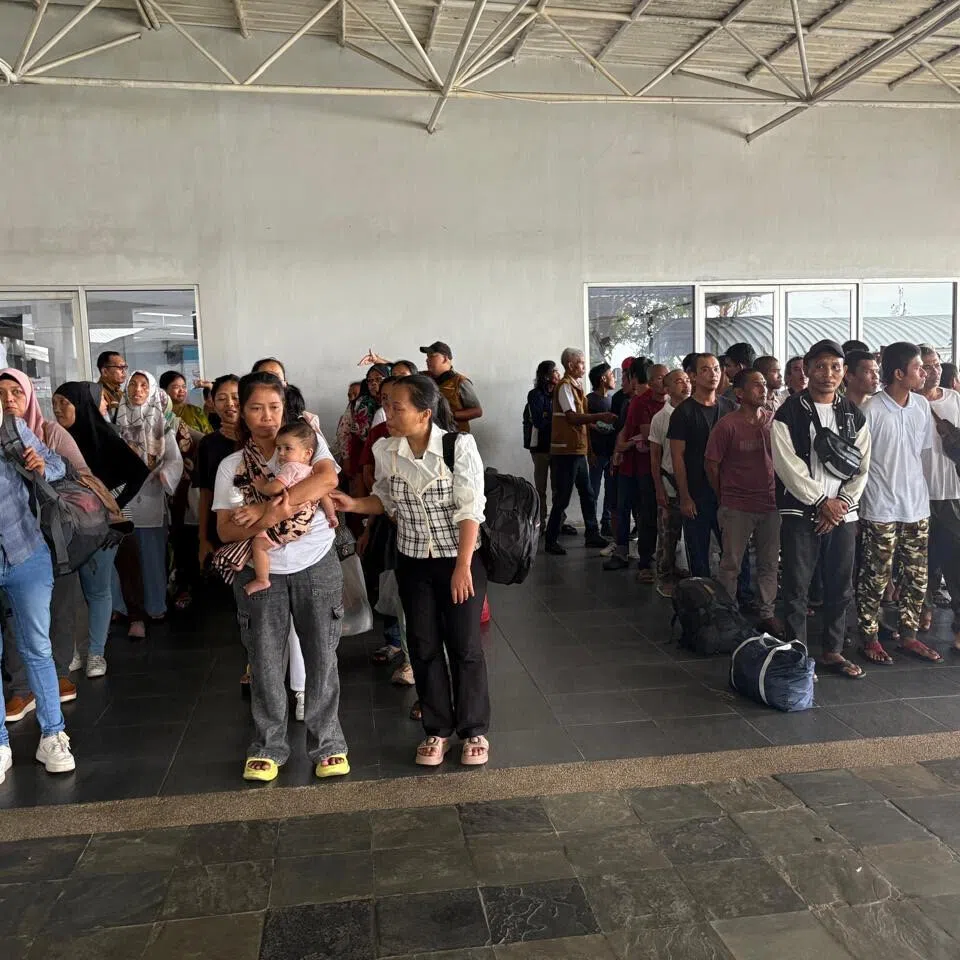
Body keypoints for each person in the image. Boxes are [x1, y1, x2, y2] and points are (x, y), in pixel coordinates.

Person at [331, 376, 490, 767]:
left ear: (424, 413)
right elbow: (385, 500)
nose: (388, 413)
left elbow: (471, 510)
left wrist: (463, 566)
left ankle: (473, 730)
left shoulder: (458, 446)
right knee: (422, 644)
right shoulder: (387, 450)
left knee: (465, 645)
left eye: (397, 406)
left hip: (459, 559)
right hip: (413, 561)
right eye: (386, 404)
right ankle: (437, 730)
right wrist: (351, 504)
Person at [214, 371, 345, 781]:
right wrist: (267, 518)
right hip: (260, 568)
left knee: (322, 657)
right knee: (266, 661)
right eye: (256, 408)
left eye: (274, 407)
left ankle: (328, 743)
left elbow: (328, 478)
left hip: (317, 562)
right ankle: (268, 746)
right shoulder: (232, 466)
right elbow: (225, 530)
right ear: (242, 413)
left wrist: (271, 511)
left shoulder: (308, 445)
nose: (267, 417)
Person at [772, 339, 870, 679]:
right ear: (806, 370)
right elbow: (788, 466)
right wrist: (820, 502)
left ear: (843, 373)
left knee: (840, 586)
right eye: (820, 366)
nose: (828, 374)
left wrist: (840, 505)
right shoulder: (788, 412)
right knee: (797, 588)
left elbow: (862, 466)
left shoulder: (853, 414)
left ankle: (833, 651)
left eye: (835, 367)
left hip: (842, 515)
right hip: (801, 514)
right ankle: (798, 655)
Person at [0, 369, 90, 720]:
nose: (9, 400)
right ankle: (20, 693)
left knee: (52, 617)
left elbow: (68, 470)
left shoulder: (31, 431)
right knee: (17, 625)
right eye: (1, 393)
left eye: (15, 392)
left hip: (41, 539)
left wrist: (42, 466)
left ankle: (55, 709)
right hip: (18, 546)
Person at [51, 382, 149, 678]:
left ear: (81, 406)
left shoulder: (104, 437)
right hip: (68, 528)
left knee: (97, 590)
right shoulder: (54, 438)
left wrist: (111, 506)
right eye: (55, 403)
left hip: (101, 529)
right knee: (72, 594)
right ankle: (76, 651)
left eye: (64, 403)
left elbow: (139, 473)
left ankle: (95, 653)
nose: (57, 409)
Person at [0, 410, 76, 780]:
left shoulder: (12, 430)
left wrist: (41, 465)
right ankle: (0, 743)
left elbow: (60, 465)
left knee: (37, 647)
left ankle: (52, 734)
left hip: (25, 553)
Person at [857, 342, 937, 665]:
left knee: (917, 577)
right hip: (881, 507)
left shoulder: (920, 406)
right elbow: (861, 463)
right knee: (876, 577)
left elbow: (922, 453)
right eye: (919, 367)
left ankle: (909, 636)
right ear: (899, 373)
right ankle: (870, 637)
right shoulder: (871, 410)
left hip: (916, 505)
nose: (926, 372)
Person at [705, 370, 782, 635]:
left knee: (769, 562)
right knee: (731, 563)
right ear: (739, 393)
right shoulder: (727, 425)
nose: (763, 389)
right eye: (756, 385)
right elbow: (711, 465)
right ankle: (727, 613)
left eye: (764, 385)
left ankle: (767, 613)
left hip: (770, 505)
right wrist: (725, 495)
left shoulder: (773, 422)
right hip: (737, 506)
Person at [115, 371, 184, 634]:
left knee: (152, 556)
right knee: (125, 558)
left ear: (152, 390)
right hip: (123, 497)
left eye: (144, 385)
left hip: (151, 495)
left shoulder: (160, 423)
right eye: (133, 384)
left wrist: (164, 475)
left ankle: (155, 605)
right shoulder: (115, 421)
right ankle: (125, 607)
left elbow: (173, 459)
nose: (137, 390)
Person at [668, 354, 735, 578]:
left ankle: (740, 598)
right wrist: (685, 496)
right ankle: (703, 600)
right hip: (697, 492)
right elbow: (677, 457)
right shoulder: (683, 412)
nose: (713, 374)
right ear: (693, 376)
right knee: (699, 552)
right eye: (706, 370)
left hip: (728, 492)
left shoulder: (730, 408)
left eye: (717, 369)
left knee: (734, 551)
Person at [544, 348, 616, 556]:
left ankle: (592, 533)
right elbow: (572, 418)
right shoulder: (565, 386)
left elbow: (580, 419)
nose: (584, 367)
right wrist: (599, 416)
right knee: (563, 497)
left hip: (578, 449)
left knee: (588, 493)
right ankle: (551, 539)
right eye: (581, 363)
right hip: (565, 451)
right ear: (570, 365)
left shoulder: (576, 387)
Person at [245, 422, 326, 597]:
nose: (281, 453)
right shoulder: (312, 473)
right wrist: (332, 516)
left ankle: (262, 579)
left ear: (307, 453)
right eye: (279, 448)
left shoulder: (291, 467)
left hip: (289, 522)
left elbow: (274, 488)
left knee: (258, 544)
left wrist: (261, 486)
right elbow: (325, 494)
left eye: (287, 448)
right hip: (303, 524)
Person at [605, 364, 667, 579]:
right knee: (625, 509)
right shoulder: (639, 402)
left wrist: (627, 443)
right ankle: (624, 552)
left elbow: (648, 436)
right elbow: (639, 432)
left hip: (653, 466)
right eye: (660, 378)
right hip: (633, 466)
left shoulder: (671, 404)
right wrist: (619, 448)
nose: (664, 381)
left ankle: (647, 558)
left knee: (647, 513)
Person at [918, 345, 960, 650]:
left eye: (936, 366)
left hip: (952, 492)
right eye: (926, 366)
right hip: (917, 494)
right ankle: (923, 609)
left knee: (954, 561)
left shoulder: (954, 399)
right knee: (921, 560)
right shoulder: (909, 404)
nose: (933, 371)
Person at [649, 368, 691, 598]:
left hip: (693, 483)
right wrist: (658, 488)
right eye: (678, 381)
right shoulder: (661, 418)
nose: (685, 385)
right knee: (668, 534)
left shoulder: (695, 410)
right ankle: (665, 576)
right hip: (669, 482)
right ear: (667, 389)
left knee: (692, 533)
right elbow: (655, 456)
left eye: (687, 380)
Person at [524, 360, 560, 533]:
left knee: (558, 487)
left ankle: (557, 522)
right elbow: (539, 421)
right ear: (546, 375)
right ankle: (542, 523)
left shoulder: (559, 393)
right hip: (540, 448)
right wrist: (556, 418)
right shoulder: (535, 395)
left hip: (558, 446)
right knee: (541, 488)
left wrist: (549, 416)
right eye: (555, 371)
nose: (559, 375)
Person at [420, 341, 482, 434]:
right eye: (427, 357)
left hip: (454, 436)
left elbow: (477, 411)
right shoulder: (423, 378)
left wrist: (449, 415)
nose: (427, 360)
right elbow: (405, 372)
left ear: (445, 359)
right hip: (429, 434)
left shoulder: (460, 382)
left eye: (431, 356)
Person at [587, 363, 617, 537]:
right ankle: (592, 528)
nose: (614, 377)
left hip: (611, 452)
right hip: (596, 453)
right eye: (611, 374)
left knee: (611, 491)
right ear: (603, 378)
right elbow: (583, 425)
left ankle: (606, 523)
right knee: (593, 491)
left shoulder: (612, 400)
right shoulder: (589, 400)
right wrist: (589, 452)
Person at [96, 350, 127, 420]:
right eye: (120, 368)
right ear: (105, 371)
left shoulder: (119, 392)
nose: (124, 371)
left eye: (125, 367)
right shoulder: (99, 395)